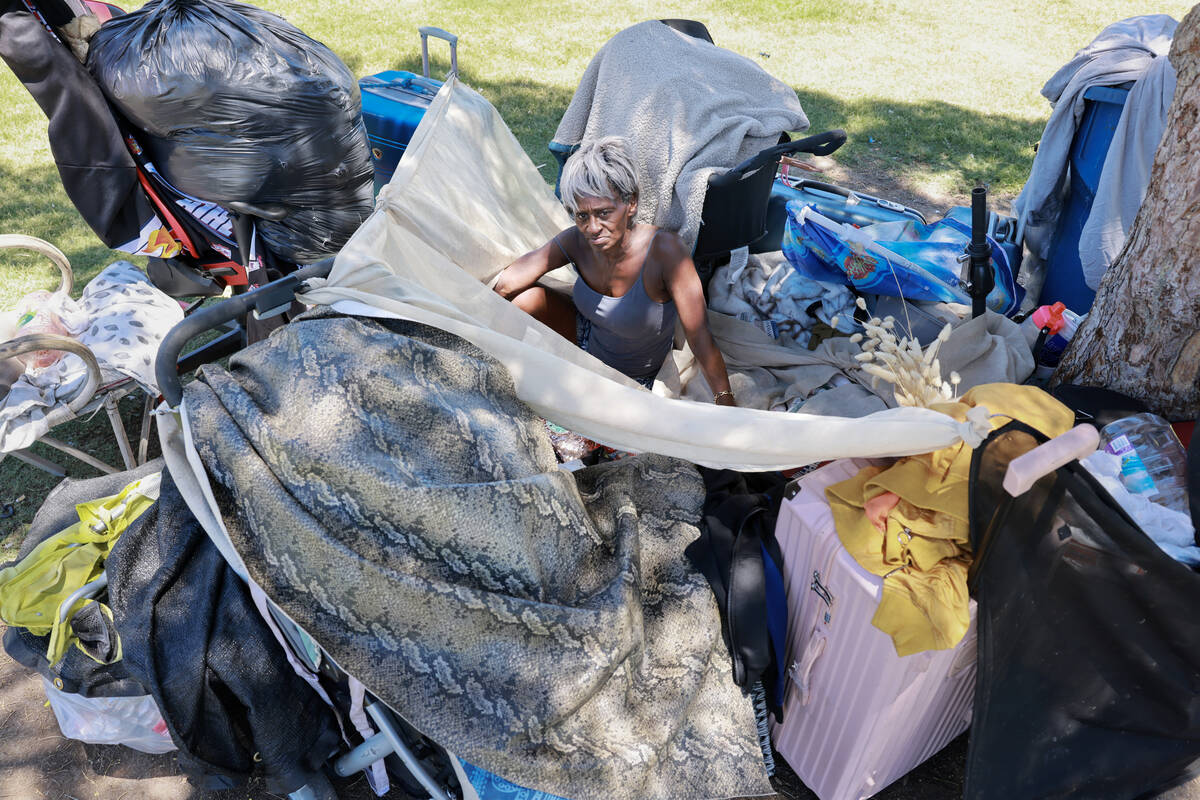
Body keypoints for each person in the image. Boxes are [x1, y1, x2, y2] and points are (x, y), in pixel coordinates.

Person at [493, 137, 737, 406]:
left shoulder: (665, 252)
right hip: (585, 344)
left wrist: (725, 402)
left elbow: (700, 336)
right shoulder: (576, 240)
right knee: (525, 300)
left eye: (604, 213)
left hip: (633, 377)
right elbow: (506, 284)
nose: (593, 227)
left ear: (631, 203)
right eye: (582, 215)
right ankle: (494, 373)